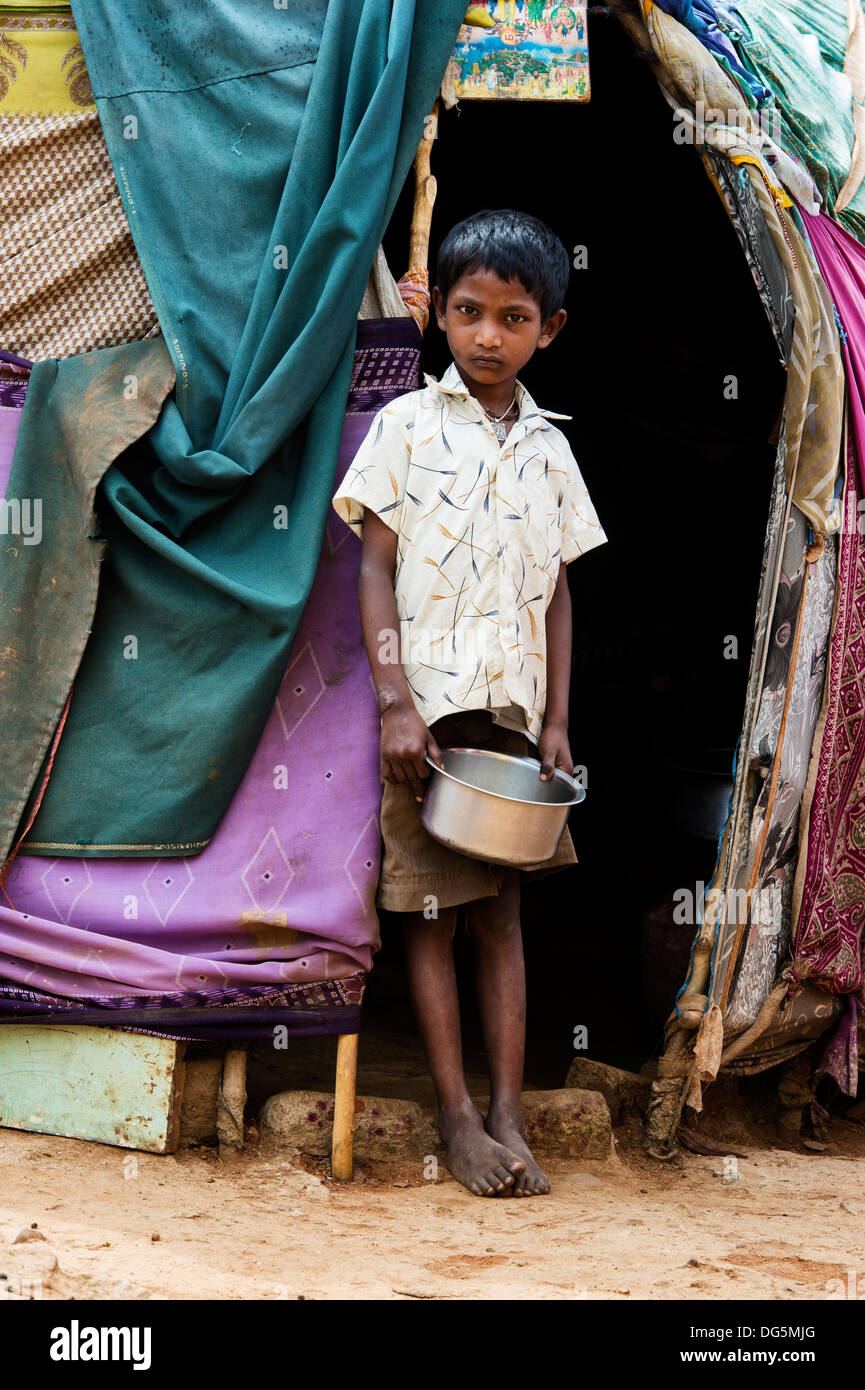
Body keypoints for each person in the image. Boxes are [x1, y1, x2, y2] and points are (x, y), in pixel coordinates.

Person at [332, 210, 606, 1198]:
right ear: (438, 316)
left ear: (549, 329)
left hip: (510, 726)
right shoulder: (406, 428)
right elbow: (374, 568)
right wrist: (394, 701)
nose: (488, 334)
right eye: (467, 312)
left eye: (513, 316)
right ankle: (453, 1112)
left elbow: (560, 593)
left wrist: (558, 724)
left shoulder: (550, 452)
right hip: (428, 726)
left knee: (501, 916)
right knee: (434, 913)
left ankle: (504, 1108)